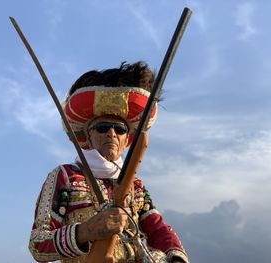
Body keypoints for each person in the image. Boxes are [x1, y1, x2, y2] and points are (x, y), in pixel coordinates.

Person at [29, 62, 189, 263]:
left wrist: (176, 258)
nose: (112, 134)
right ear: (89, 134)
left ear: (126, 140)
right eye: (103, 127)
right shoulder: (65, 176)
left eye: (120, 129)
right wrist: (85, 231)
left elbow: (157, 229)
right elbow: (37, 244)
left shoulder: (136, 185)